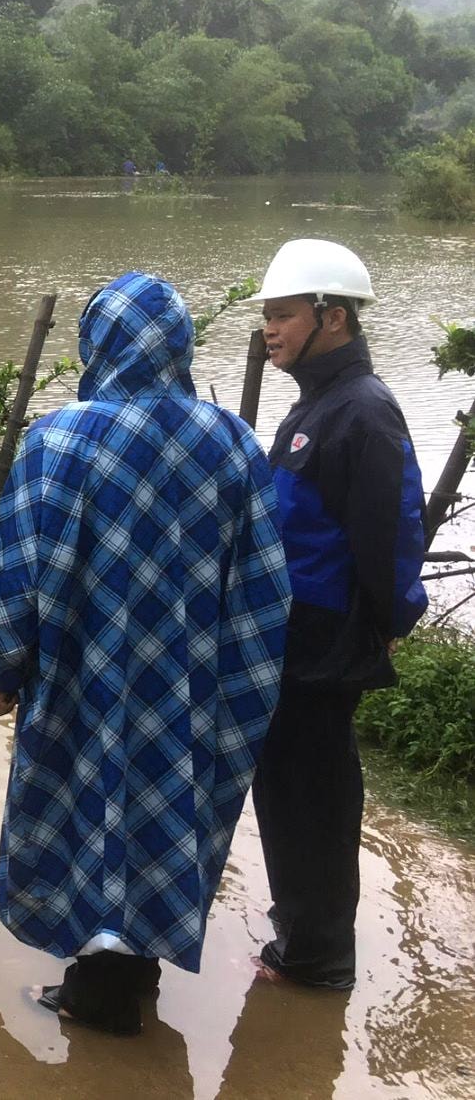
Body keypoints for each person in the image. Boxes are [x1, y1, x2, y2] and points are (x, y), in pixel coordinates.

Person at [0, 272, 290, 1036]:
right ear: (178, 345)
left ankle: (97, 992)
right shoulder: (229, 443)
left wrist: (1, 667)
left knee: (82, 808)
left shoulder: (59, 440)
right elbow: (263, 588)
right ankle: (134, 968)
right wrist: (239, 686)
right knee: (162, 809)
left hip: (79, 679)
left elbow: (15, 568)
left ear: (97, 343)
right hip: (186, 684)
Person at [243, 238, 428, 990]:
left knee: (313, 792)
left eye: (283, 315)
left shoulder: (363, 412)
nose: (269, 330)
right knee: (285, 783)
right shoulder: (318, 404)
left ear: (334, 317)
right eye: (267, 316)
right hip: (294, 635)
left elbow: (391, 536)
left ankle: (317, 956)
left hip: (324, 640)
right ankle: (300, 931)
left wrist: (385, 623)